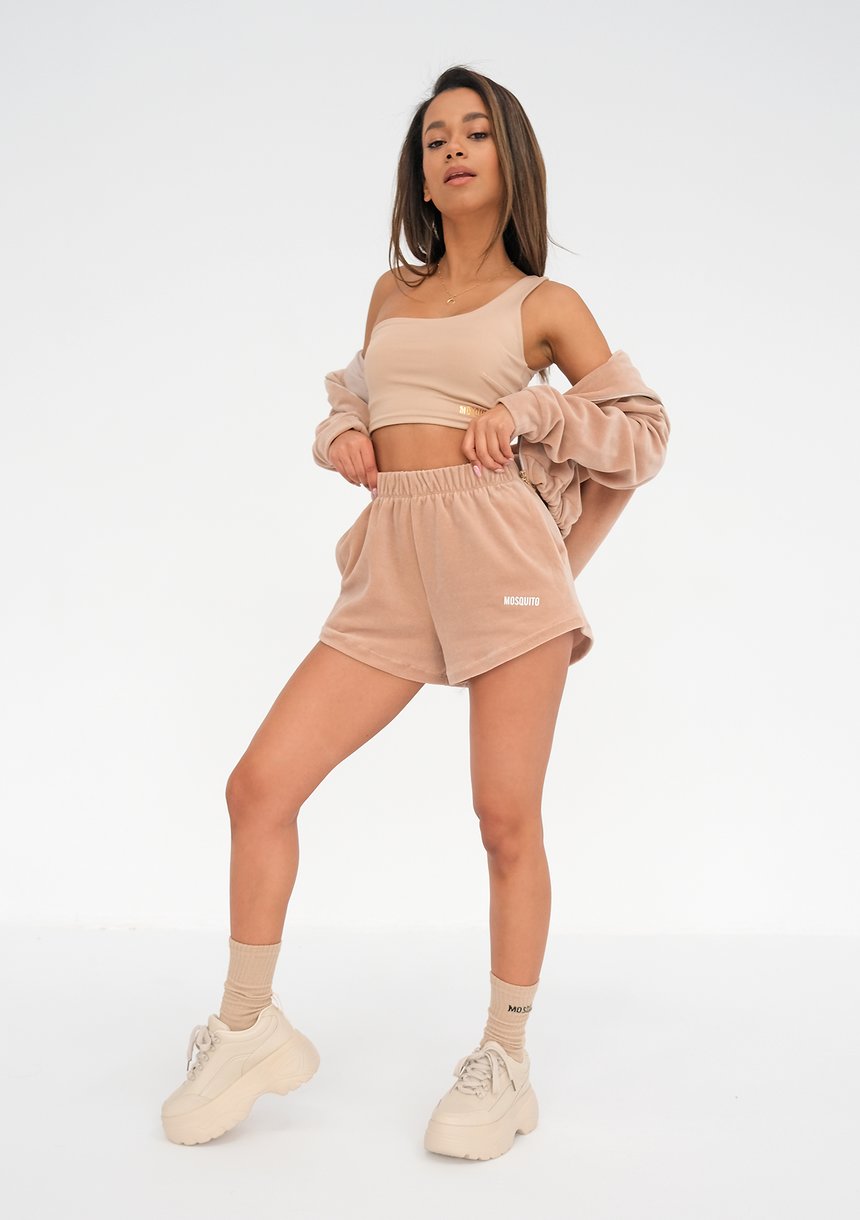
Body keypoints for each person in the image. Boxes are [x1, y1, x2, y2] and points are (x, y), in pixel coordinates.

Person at [161, 64, 669, 1161]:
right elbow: (356, 392)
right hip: (394, 561)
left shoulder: (545, 305)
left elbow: (641, 436)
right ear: (421, 177)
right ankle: (247, 1027)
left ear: (508, 158)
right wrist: (341, 434)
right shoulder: (391, 293)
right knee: (259, 786)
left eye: (474, 133)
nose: (452, 150)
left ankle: (505, 1060)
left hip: (501, 557)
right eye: (435, 139)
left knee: (503, 818)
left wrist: (538, 414)